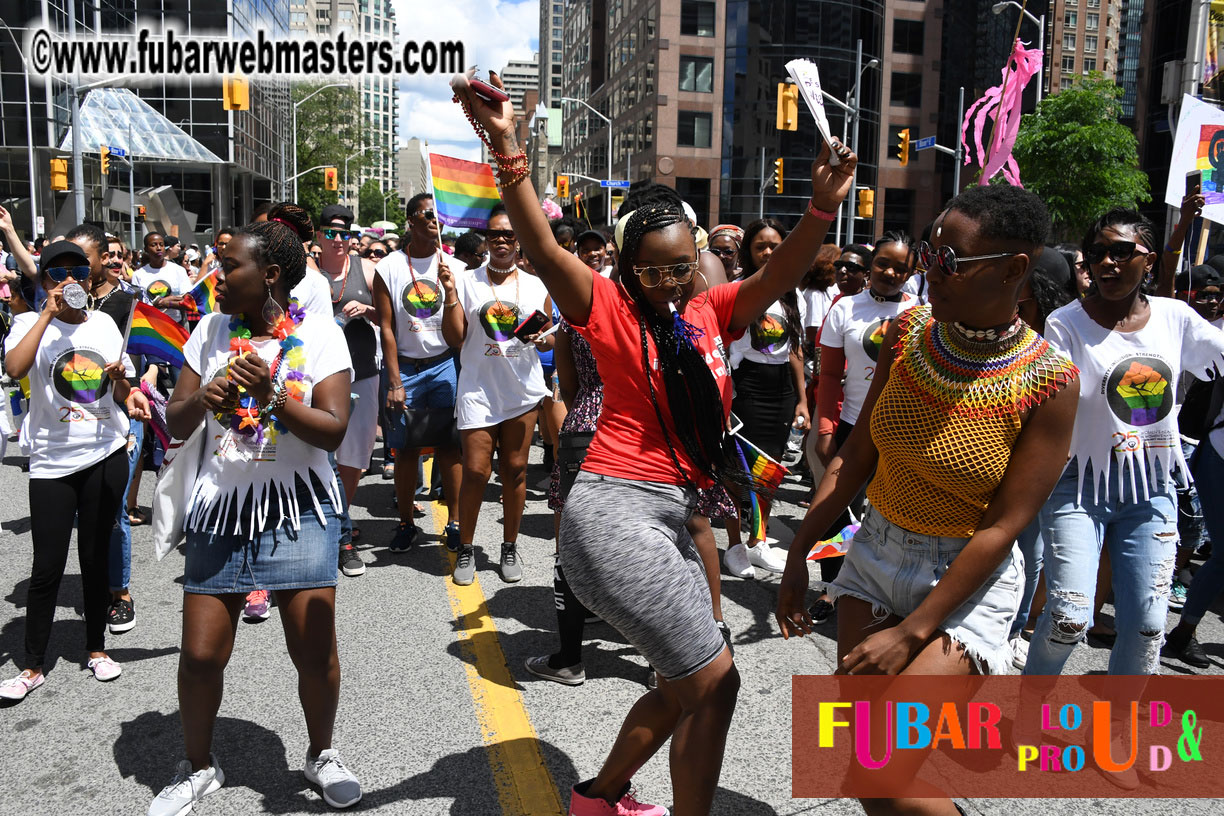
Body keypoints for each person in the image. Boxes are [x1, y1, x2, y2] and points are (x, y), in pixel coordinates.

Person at [453, 72, 855, 816]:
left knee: (688, 681)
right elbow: (541, 244)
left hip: (673, 514)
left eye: (681, 266)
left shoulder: (712, 311)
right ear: (628, 267)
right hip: (614, 517)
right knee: (715, 681)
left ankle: (599, 797)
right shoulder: (606, 307)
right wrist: (507, 145)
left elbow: (783, 270)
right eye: (653, 270)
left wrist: (823, 206)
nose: (669, 282)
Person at [777, 185, 1079, 816]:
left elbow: (1005, 526)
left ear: (1013, 270)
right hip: (875, 559)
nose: (928, 271)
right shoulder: (908, 333)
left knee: (883, 769)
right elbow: (856, 456)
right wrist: (799, 552)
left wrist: (914, 630)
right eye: (928, 252)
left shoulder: (1049, 381)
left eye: (949, 260)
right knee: (869, 775)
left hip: (966, 583)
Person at [150, 206, 361, 815]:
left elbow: (333, 429)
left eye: (229, 265)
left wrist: (272, 397)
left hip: (299, 509)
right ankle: (198, 767)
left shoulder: (320, 336)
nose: (216, 275)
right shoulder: (210, 331)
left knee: (313, 652)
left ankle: (321, 754)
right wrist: (204, 398)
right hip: (221, 508)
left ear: (270, 274)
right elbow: (176, 420)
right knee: (199, 656)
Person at [1024, 209, 1224, 678]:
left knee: (1149, 626)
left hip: (1153, 487)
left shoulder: (1176, 318)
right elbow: (1049, 405)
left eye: (1120, 251)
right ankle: (1031, 702)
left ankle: (1119, 718)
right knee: (1070, 617)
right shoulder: (1066, 324)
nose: (1107, 262)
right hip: (1078, 484)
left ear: (1148, 260)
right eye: (1097, 253)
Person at [0, 239, 149, 702]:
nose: (70, 280)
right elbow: (14, 368)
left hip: (104, 452)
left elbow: (118, 389)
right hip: (52, 461)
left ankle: (96, 649)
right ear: (43, 279)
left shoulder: (104, 323)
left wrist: (126, 387)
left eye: (79, 272)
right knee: (47, 566)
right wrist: (47, 313)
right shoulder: (27, 323)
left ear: (91, 277)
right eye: (58, 272)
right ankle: (32, 665)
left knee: (94, 557)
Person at [806, 234, 918, 624]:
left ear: (911, 273)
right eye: (883, 263)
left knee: (889, 518)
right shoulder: (844, 308)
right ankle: (832, 587)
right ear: (871, 265)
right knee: (836, 511)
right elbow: (829, 375)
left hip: (903, 431)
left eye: (901, 268)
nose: (890, 273)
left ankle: (882, 589)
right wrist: (825, 428)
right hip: (852, 428)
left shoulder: (922, 313)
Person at [439, 207, 553, 586]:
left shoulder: (536, 286)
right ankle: (466, 547)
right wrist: (450, 295)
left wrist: (542, 338)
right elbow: (454, 338)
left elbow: (549, 337)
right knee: (476, 471)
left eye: (508, 234)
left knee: (515, 470)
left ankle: (509, 546)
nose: (501, 240)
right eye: (493, 234)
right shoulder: (465, 281)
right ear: (485, 240)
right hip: (478, 390)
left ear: (518, 239)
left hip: (521, 391)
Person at [372, 193, 467, 552]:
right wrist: (395, 381)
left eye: (437, 216)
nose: (434, 221)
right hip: (406, 370)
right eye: (427, 215)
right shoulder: (389, 267)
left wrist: (450, 290)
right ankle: (406, 523)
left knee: (449, 447)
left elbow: (461, 331)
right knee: (406, 450)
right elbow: (386, 327)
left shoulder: (455, 267)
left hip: (444, 365)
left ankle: (455, 522)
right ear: (411, 220)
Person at [723, 217, 808, 578]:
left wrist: (802, 400)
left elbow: (795, 350)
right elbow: (722, 345)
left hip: (781, 390)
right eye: (761, 246)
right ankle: (734, 546)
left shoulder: (792, 293)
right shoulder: (736, 289)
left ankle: (758, 542)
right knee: (736, 470)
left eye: (775, 245)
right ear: (749, 251)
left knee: (770, 472)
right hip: (745, 385)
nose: (769, 252)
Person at [317, 204, 380, 578]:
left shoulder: (366, 269)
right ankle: (333, 526)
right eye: (331, 232)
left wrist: (367, 310)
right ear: (319, 235)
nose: (338, 239)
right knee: (322, 453)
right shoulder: (307, 272)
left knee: (354, 456)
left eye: (345, 233)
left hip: (362, 371)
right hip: (320, 376)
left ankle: (341, 515)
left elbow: (388, 317)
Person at [132, 232, 193, 325]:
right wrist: (156, 304)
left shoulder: (178, 270)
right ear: (146, 249)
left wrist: (167, 303)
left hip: (176, 324)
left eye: (161, 245)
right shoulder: (138, 275)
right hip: (150, 326)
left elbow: (188, 300)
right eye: (154, 245)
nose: (159, 248)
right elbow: (136, 305)